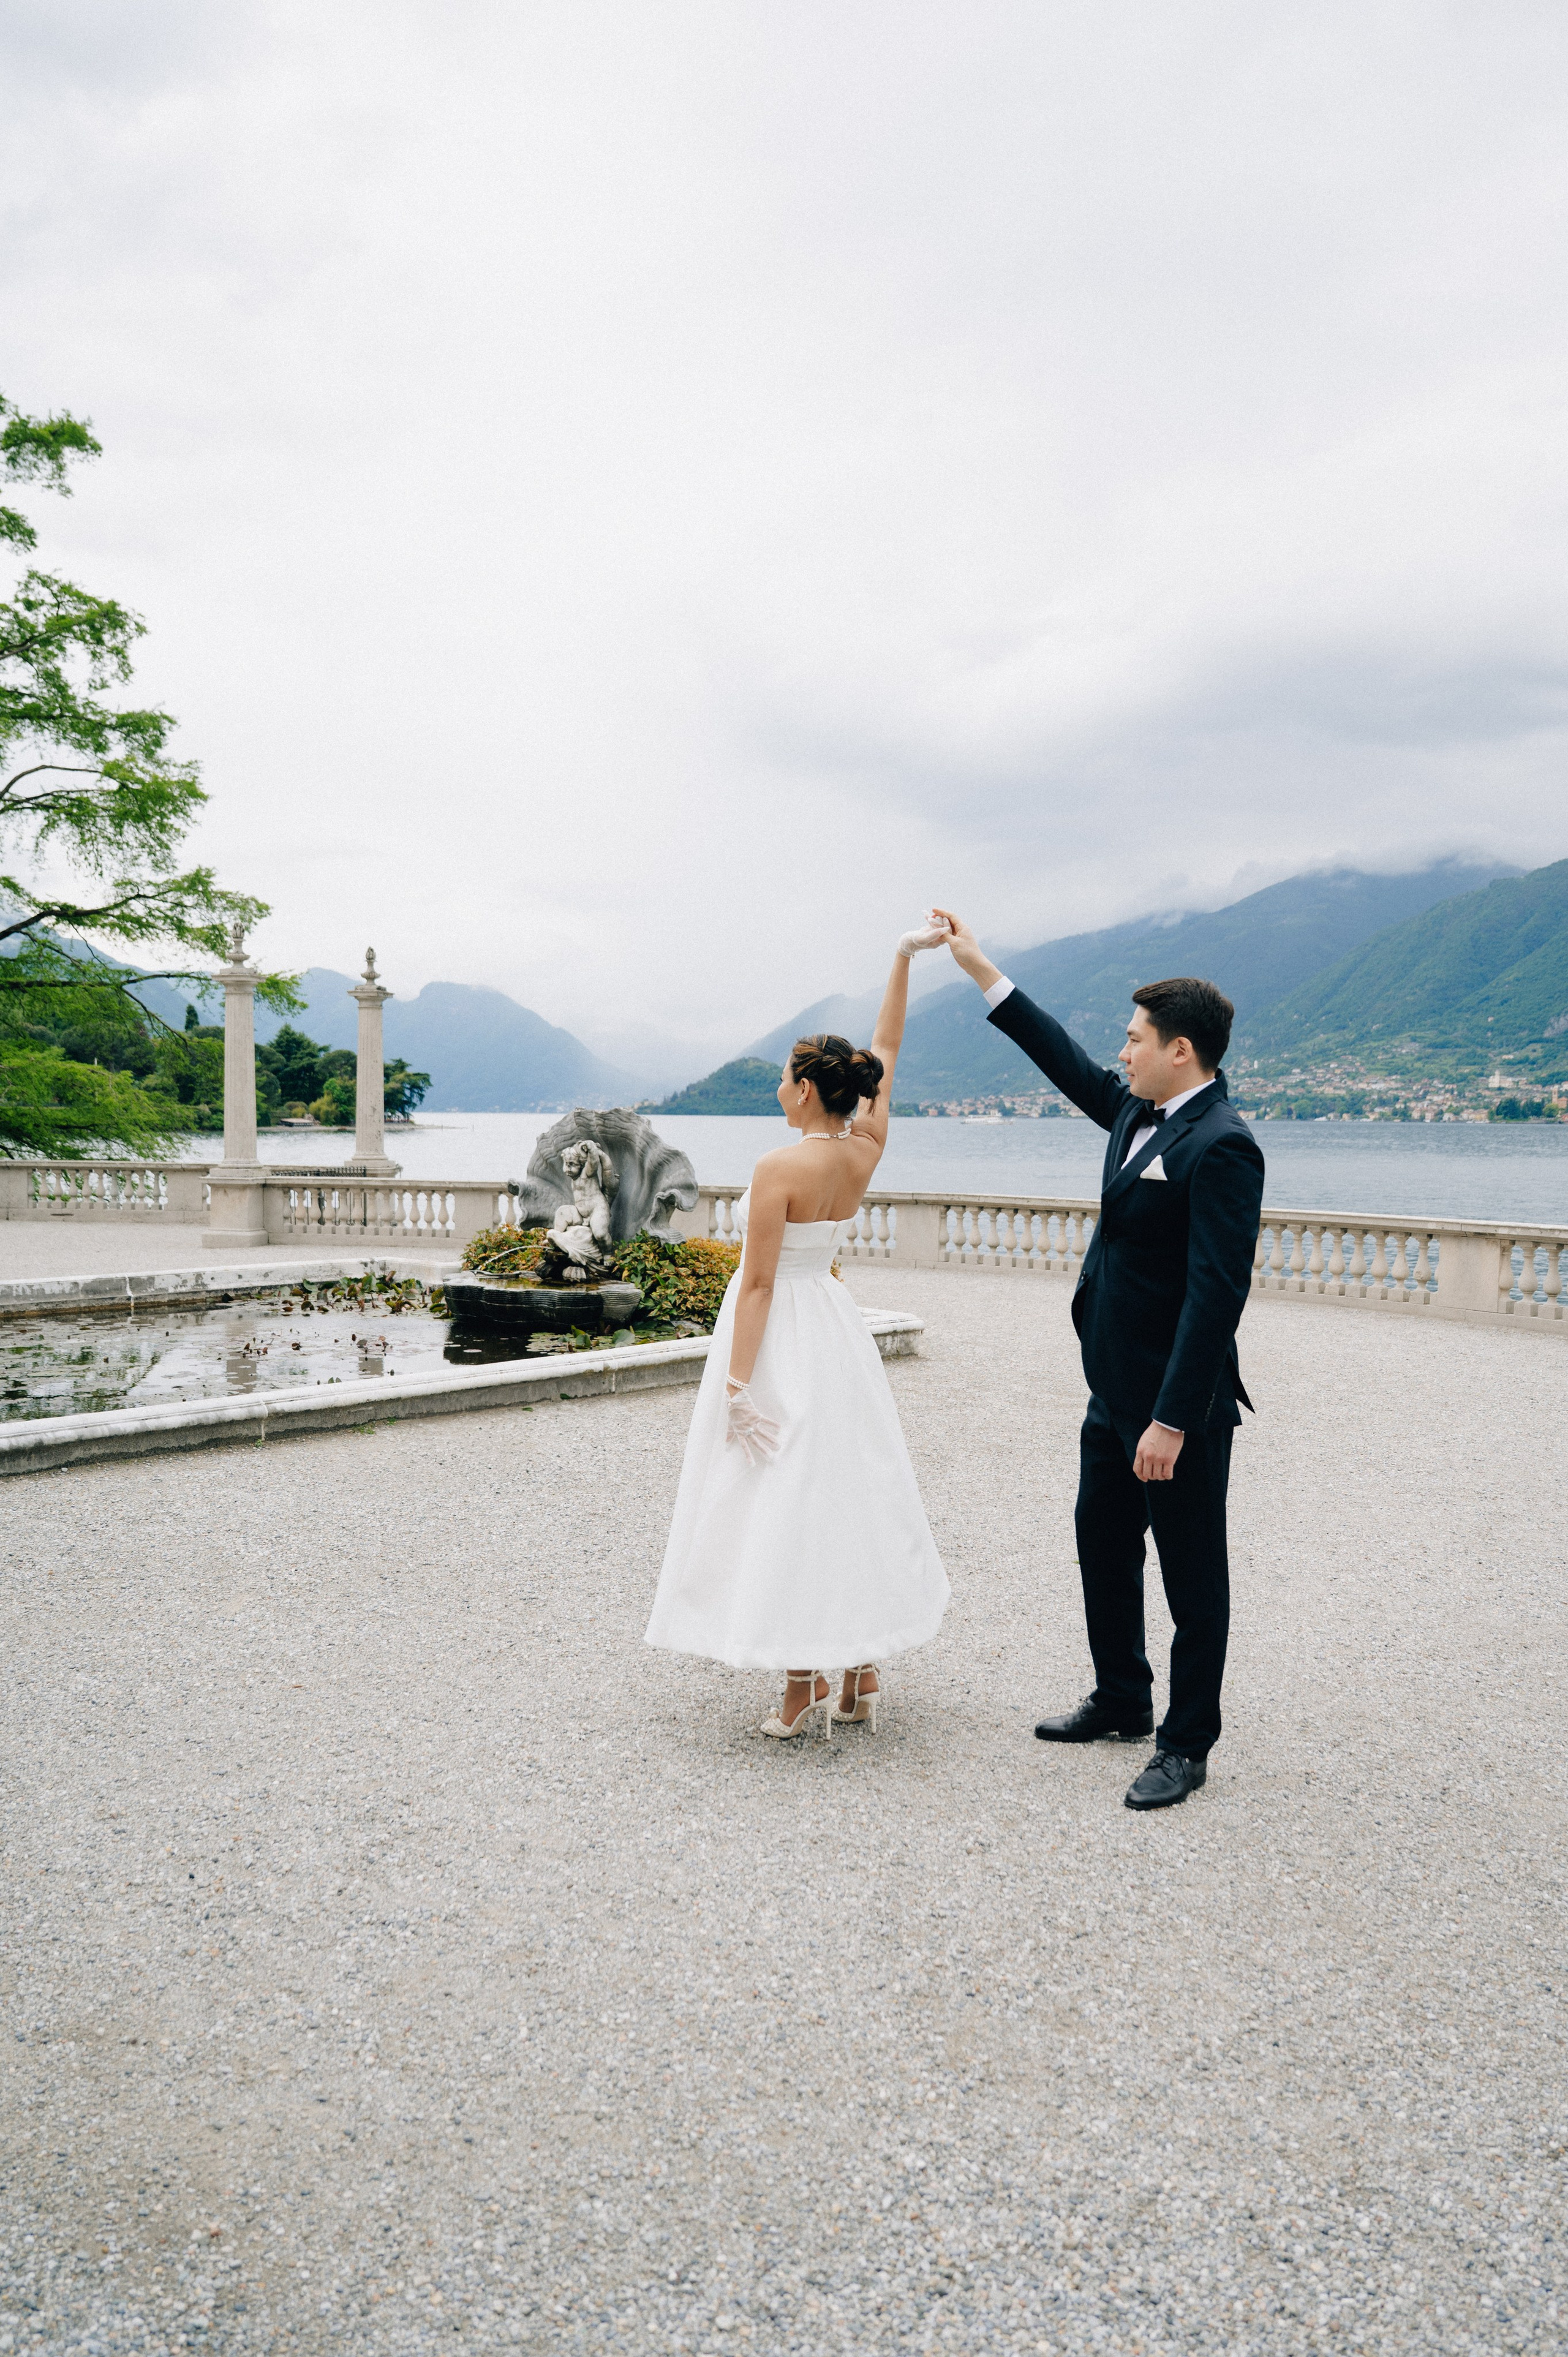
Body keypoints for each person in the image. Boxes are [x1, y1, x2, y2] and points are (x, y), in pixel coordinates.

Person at [934, 908, 1265, 1811]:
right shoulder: (1136, 1114)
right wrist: (979, 968)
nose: (1121, 1054)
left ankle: (1186, 1745)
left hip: (1175, 1412)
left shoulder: (1223, 1145)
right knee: (1102, 1549)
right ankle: (1122, 1698)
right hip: (1109, 1394)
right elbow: (1061, 1059)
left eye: (1135, 1041)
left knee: (1194, 1583)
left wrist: (1169, 1417)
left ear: (1183, 1051)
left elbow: (1215, 1296)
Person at [645, 921, 952, 1737]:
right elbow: (886, 1046)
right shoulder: (866, 1145)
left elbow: (755, 1285)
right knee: (842, 1488)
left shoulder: (779, 1168)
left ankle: (800, 1682)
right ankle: (858, 1668)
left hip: (783, 1331)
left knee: (781, 1494)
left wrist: (739, 1385)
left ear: (809, 1090)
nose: (778, 1089)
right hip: (836, 1333)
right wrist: (901, 959)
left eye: (785, 1079)